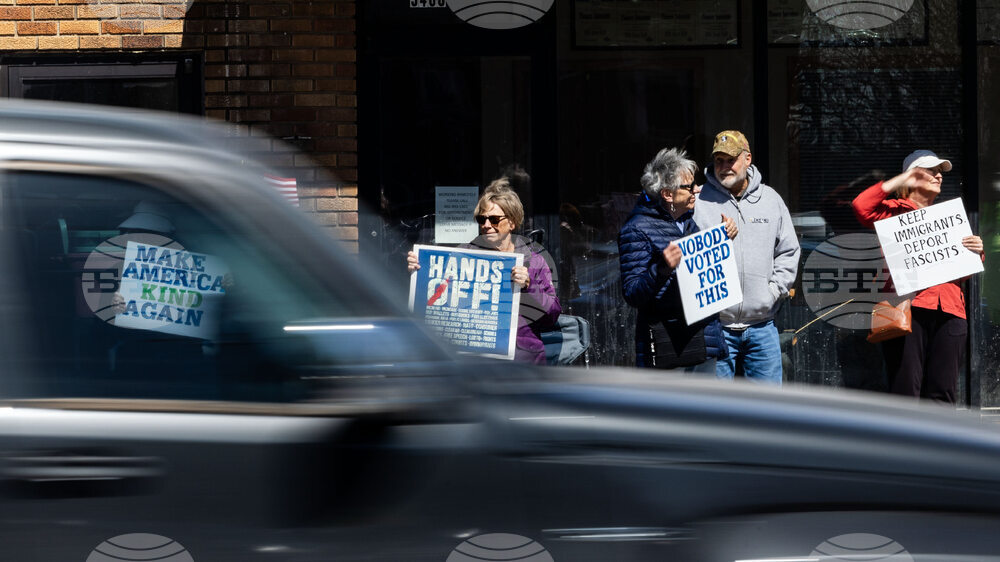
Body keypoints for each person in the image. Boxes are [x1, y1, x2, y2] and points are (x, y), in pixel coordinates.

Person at [851, 150, 985, 403]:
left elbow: (963, 273)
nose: (938, 176)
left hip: (950, 311)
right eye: (930, 170)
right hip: (907, 309)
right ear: (911, 176)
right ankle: (904, 443)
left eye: (940, 172)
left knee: (943, 391)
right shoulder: (892, 212)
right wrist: (900, 180)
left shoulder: (947, 219)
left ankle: (939, 442)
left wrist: (976, 251)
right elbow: (861, 206)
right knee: (905, 390)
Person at [409, 178, 561, 364]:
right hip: (472, 360)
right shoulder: (463, 255)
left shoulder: (534, 261)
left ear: (512, 223)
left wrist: (529, 286)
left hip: (522, 361)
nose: (486, 225)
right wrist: (421, 271)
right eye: (482, 219)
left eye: (494, 219)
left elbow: (552, 316)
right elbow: (436, 300)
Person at [693, 130, 800, 384]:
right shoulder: (698, 201)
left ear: (747, 159)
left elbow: (789, 250)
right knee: (714, 413)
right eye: (719, 160)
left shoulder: (771, 200)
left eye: (731, 160)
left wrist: (773, 292)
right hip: (714, 328)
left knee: (766, 411)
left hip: (762, 326)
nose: (724, 167)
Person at [618, 148, 737, 372]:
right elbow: (633, 293)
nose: (697, 190)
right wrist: (661, 268)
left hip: (703, 341)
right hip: (668, 345)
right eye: (689, 187)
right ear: (667, 195)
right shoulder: (636, 230)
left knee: (707, 407)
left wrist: (723, 239)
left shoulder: (689, 224)